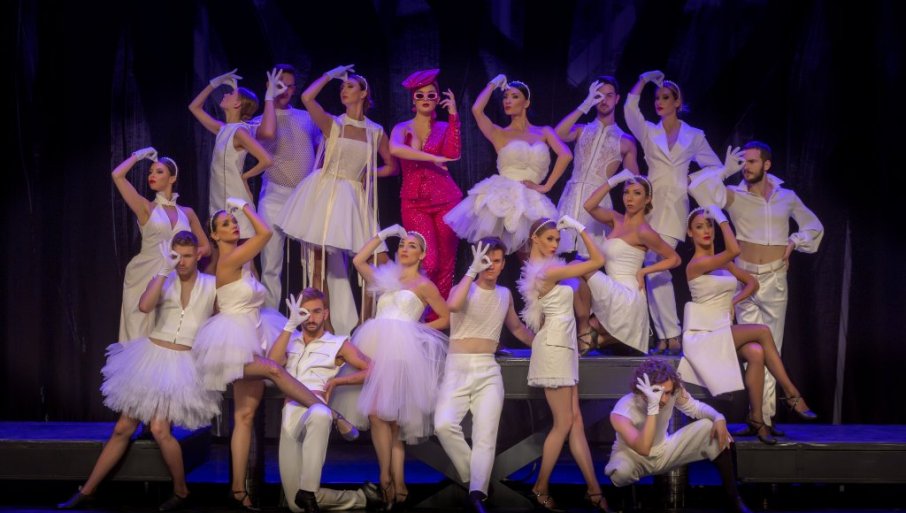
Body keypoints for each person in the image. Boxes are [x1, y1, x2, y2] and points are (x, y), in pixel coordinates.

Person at [192, 199, 358, 510]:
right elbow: (265, 233)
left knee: (244, 417)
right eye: (226, 223)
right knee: (274, 370)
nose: (233, 225)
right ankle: (334, 416)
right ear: (214, 236)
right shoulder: (230, 259)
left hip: (254, 333)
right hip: (233, 341)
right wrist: (246, 207)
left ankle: (238, 491)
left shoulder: (244, 261)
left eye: (234, 221)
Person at [58, 232, 219, 511]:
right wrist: (163, 270)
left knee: (159, 428)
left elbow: (222, 320)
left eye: (187, 256)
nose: (181, 262)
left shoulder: (211, 285)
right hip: (151, 357)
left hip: (181, 364)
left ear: (198, 255)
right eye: (176, 255)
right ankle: (88, 490)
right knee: (123, 427)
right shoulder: (165, 278)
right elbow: (144, 306)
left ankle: (181, 491)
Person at [688, 140, 823, 427]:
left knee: (774, 347)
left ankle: (765, 419)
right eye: (743, 162)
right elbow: (697, 188)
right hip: (745, 277)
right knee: (756, 352)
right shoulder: (734, 194)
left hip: (775, 278)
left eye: (751, 162)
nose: (745, 167)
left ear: (766, 164)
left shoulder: (786, 196)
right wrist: (724, 171)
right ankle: (762, 416)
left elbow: (814, 226)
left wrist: (794, 241)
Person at [678, 206, 816, 444]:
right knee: (762, 331)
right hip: (703, 334)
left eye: (709, 225)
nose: (707, 230)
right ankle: (791, 393)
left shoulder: (724, 264)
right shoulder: (697, 264)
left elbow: (752, 283)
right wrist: (721, 217)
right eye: (699, 227)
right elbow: (735, 249)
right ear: (690, 233)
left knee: (756, 351)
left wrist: (734, 301)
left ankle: (756, 420)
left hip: (721, 329)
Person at [276, 64, 396, 334]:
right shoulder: (334, 123)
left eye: (350, 86)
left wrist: (368, 173)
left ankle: (368, 324)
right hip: (326, 194)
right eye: (342, 87)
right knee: (318, 264)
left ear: (363, 93)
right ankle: (323, 325)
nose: (344, 90)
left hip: (354, 197)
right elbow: (307, 97)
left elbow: (391, 166)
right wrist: (330, 75)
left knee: (375, 259)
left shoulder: (375, 131)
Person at [337, 225, 448, 509]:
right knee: (382, 415)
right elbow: (358, 260)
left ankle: (388, 478)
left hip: (401, 350)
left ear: (421, 255)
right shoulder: (386, 277)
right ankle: (396, 483)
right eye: (402, 244)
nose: (405, 249)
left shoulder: (424, 285)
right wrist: (383, 236)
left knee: (387, 416)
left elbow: (445, 317)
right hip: (374, 346)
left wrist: (417, 330)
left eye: (412, 246)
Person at [516, 216, 612, 511]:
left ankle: (594, 490)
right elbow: (598, 260)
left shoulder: (546, 268)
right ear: (535, 239)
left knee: (575, 421)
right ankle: (540, 487)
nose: (555, 244)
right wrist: (580, 228)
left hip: (564, 346)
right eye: (550, 239)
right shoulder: (548, 271)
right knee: (564, 423)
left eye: (558, 239)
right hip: (555, 349)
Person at [624, 70, 723, 354]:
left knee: (658, 266)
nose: (659, 102)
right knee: (652, 270)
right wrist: (643, 80)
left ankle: (671, 333)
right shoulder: (649, 131)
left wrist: (689, 181)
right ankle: (665, 336)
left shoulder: (694, 135)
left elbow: (714, 166)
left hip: (676, 209)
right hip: (650, 208)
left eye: (666, 97)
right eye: (657, 98)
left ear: (677, 102)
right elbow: (630, 110)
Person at [435, 237, 534, 513]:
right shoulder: (463, 288)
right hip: (457, 367)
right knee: (443, 425)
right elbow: (453, 306)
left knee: (485, 435)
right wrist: (472, 270)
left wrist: (544, 344)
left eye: (497, 261)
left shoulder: (504, 294)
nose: (491, 266)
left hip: (488, 370)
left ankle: (478, 493)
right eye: (486, 260)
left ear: (503, 264)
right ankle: (476, 480)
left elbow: (517, 329)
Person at [267, 288, 379, 513]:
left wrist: (338, 382)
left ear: (326, 313)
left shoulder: (337, 343)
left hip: (316, 409)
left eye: (316, 311)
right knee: (295, 506)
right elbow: (271, 365)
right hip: (290, 413)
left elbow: (373, 369)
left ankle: (308, 490)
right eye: (304, 312)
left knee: (321, 413)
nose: (311, 318)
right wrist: (289, 326)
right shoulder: (289, 340)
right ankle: (361, 499)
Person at [605, 358, 753, 513]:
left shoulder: (673, 391)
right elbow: (643, 449)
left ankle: (734, 500)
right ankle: (620, 503)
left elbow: (695, 408)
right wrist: (652, 407)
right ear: (643, 389)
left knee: (710, 426)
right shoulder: (622, 410)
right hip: (632, 457)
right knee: (620, 473)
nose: (664, 399)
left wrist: (718, 417)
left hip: (663, 452)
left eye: (668, 393)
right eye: (659, 392)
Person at [443, 75, 570, 254]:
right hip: (503, 195)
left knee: (534, 254)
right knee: (491, 251)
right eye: (505, 97)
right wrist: (494, 83)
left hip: (532, 197)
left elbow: (566, 155)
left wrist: (546, 186)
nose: (508, 101)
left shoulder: (544, 132)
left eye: (514, 96)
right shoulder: (499, 133)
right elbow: (477, 109)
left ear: (526, 103)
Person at [112, 148, 209, 341]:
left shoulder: (187, 213)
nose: (152, 175)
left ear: (172, 178)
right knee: (139, 334)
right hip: (144, 273)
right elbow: (117, 176)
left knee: (168, 333)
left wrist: (185, 258)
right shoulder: (146, 207)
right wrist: (138, 156)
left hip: (175, 276)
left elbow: (205, 247)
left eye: (159, 171)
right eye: (150, 172)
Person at [579, 172, 681, 354]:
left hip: (627, 294)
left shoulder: (644, 231)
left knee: (578, 266)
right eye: (626, 192)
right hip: (610, 288)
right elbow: (589, 205)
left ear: (647, 199)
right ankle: (589, 331)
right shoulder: (615, 219)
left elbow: (675, 258)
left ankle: (589, 331)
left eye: (637, 193)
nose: (630, 198)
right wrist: (613, 180)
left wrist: (644, 271)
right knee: (576, 274)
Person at [389, 68, 462, 305]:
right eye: (420, 95)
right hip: (414, 203)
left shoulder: (443, 127)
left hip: (446, 199)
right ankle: (418, 310)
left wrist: (453, 115)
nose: (426, 100)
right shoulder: (402, 128)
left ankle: (439, 317)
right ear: (413, 100)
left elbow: (453, 153)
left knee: (446, 262)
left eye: (431, 95)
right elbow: (395, 148)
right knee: (428, 261)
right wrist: (432, 158)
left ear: (438, 98)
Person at [252, 65, 321, 308]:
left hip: (304, 196)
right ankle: (271, 316)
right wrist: (269, 98)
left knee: (312, 260)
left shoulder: (306, 117)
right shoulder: (258, 122)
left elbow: (322, 148)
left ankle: (313, 313)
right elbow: (266, 135)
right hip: (274, 195)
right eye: (279, 85)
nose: (285, 90)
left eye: (290, 86)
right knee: (271, 262)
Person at [554, 76, 639, 257]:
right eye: (598, 96)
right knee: (559, 254)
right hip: (570, 198)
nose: (604, 100)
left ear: (617, 98)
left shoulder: (625, 140)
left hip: (598, 204)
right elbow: (559, 133)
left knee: (589, 258)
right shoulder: (581, 129)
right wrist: (586, 104)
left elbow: (635, 182)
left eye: (609, 95)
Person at [188, 69, 273, 240]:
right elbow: (194, 107)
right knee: (222, 246)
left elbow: (266, 160)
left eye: (232, 94)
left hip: (235, 200)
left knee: (240, 248)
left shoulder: (240, 132)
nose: (226, 94)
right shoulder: (223, 129)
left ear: (237, 104)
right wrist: (213, 84)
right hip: (219, 199)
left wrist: (245, 177)